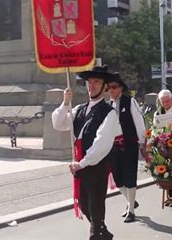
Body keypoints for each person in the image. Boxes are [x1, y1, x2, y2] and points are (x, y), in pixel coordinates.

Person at [52, 66, 121, 240]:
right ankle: (103, 232)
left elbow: (102, 144)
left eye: (96, 82)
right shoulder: (79, 109)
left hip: (96, 165)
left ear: (104, 86)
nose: (92, 85)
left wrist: (81, 163)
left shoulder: (109, 112)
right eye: (90, 82)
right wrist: (65, 103)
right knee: (83, 203)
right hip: (80, 164)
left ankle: (96, 234)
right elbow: (59, 124)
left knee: (96, 203)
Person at [107, 70, 146, 223]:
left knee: (130, 177)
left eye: (114, 87)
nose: (111, 90)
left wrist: (142, 142)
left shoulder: (130, 101)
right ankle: (131, 201)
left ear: (121, 88)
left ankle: (131, 211)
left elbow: (139, 123)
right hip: (114, 147)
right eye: (109, 87)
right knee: (118, 179)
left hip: (129, 145)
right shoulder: (108, 105)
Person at [154, 89, 172, 210]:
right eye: (163, 101)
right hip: (164, 145)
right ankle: (170, 197)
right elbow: (155, 128)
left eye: (167, 101)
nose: (165, 103)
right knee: (167, 170)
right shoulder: (158, 112)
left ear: (171, 100)